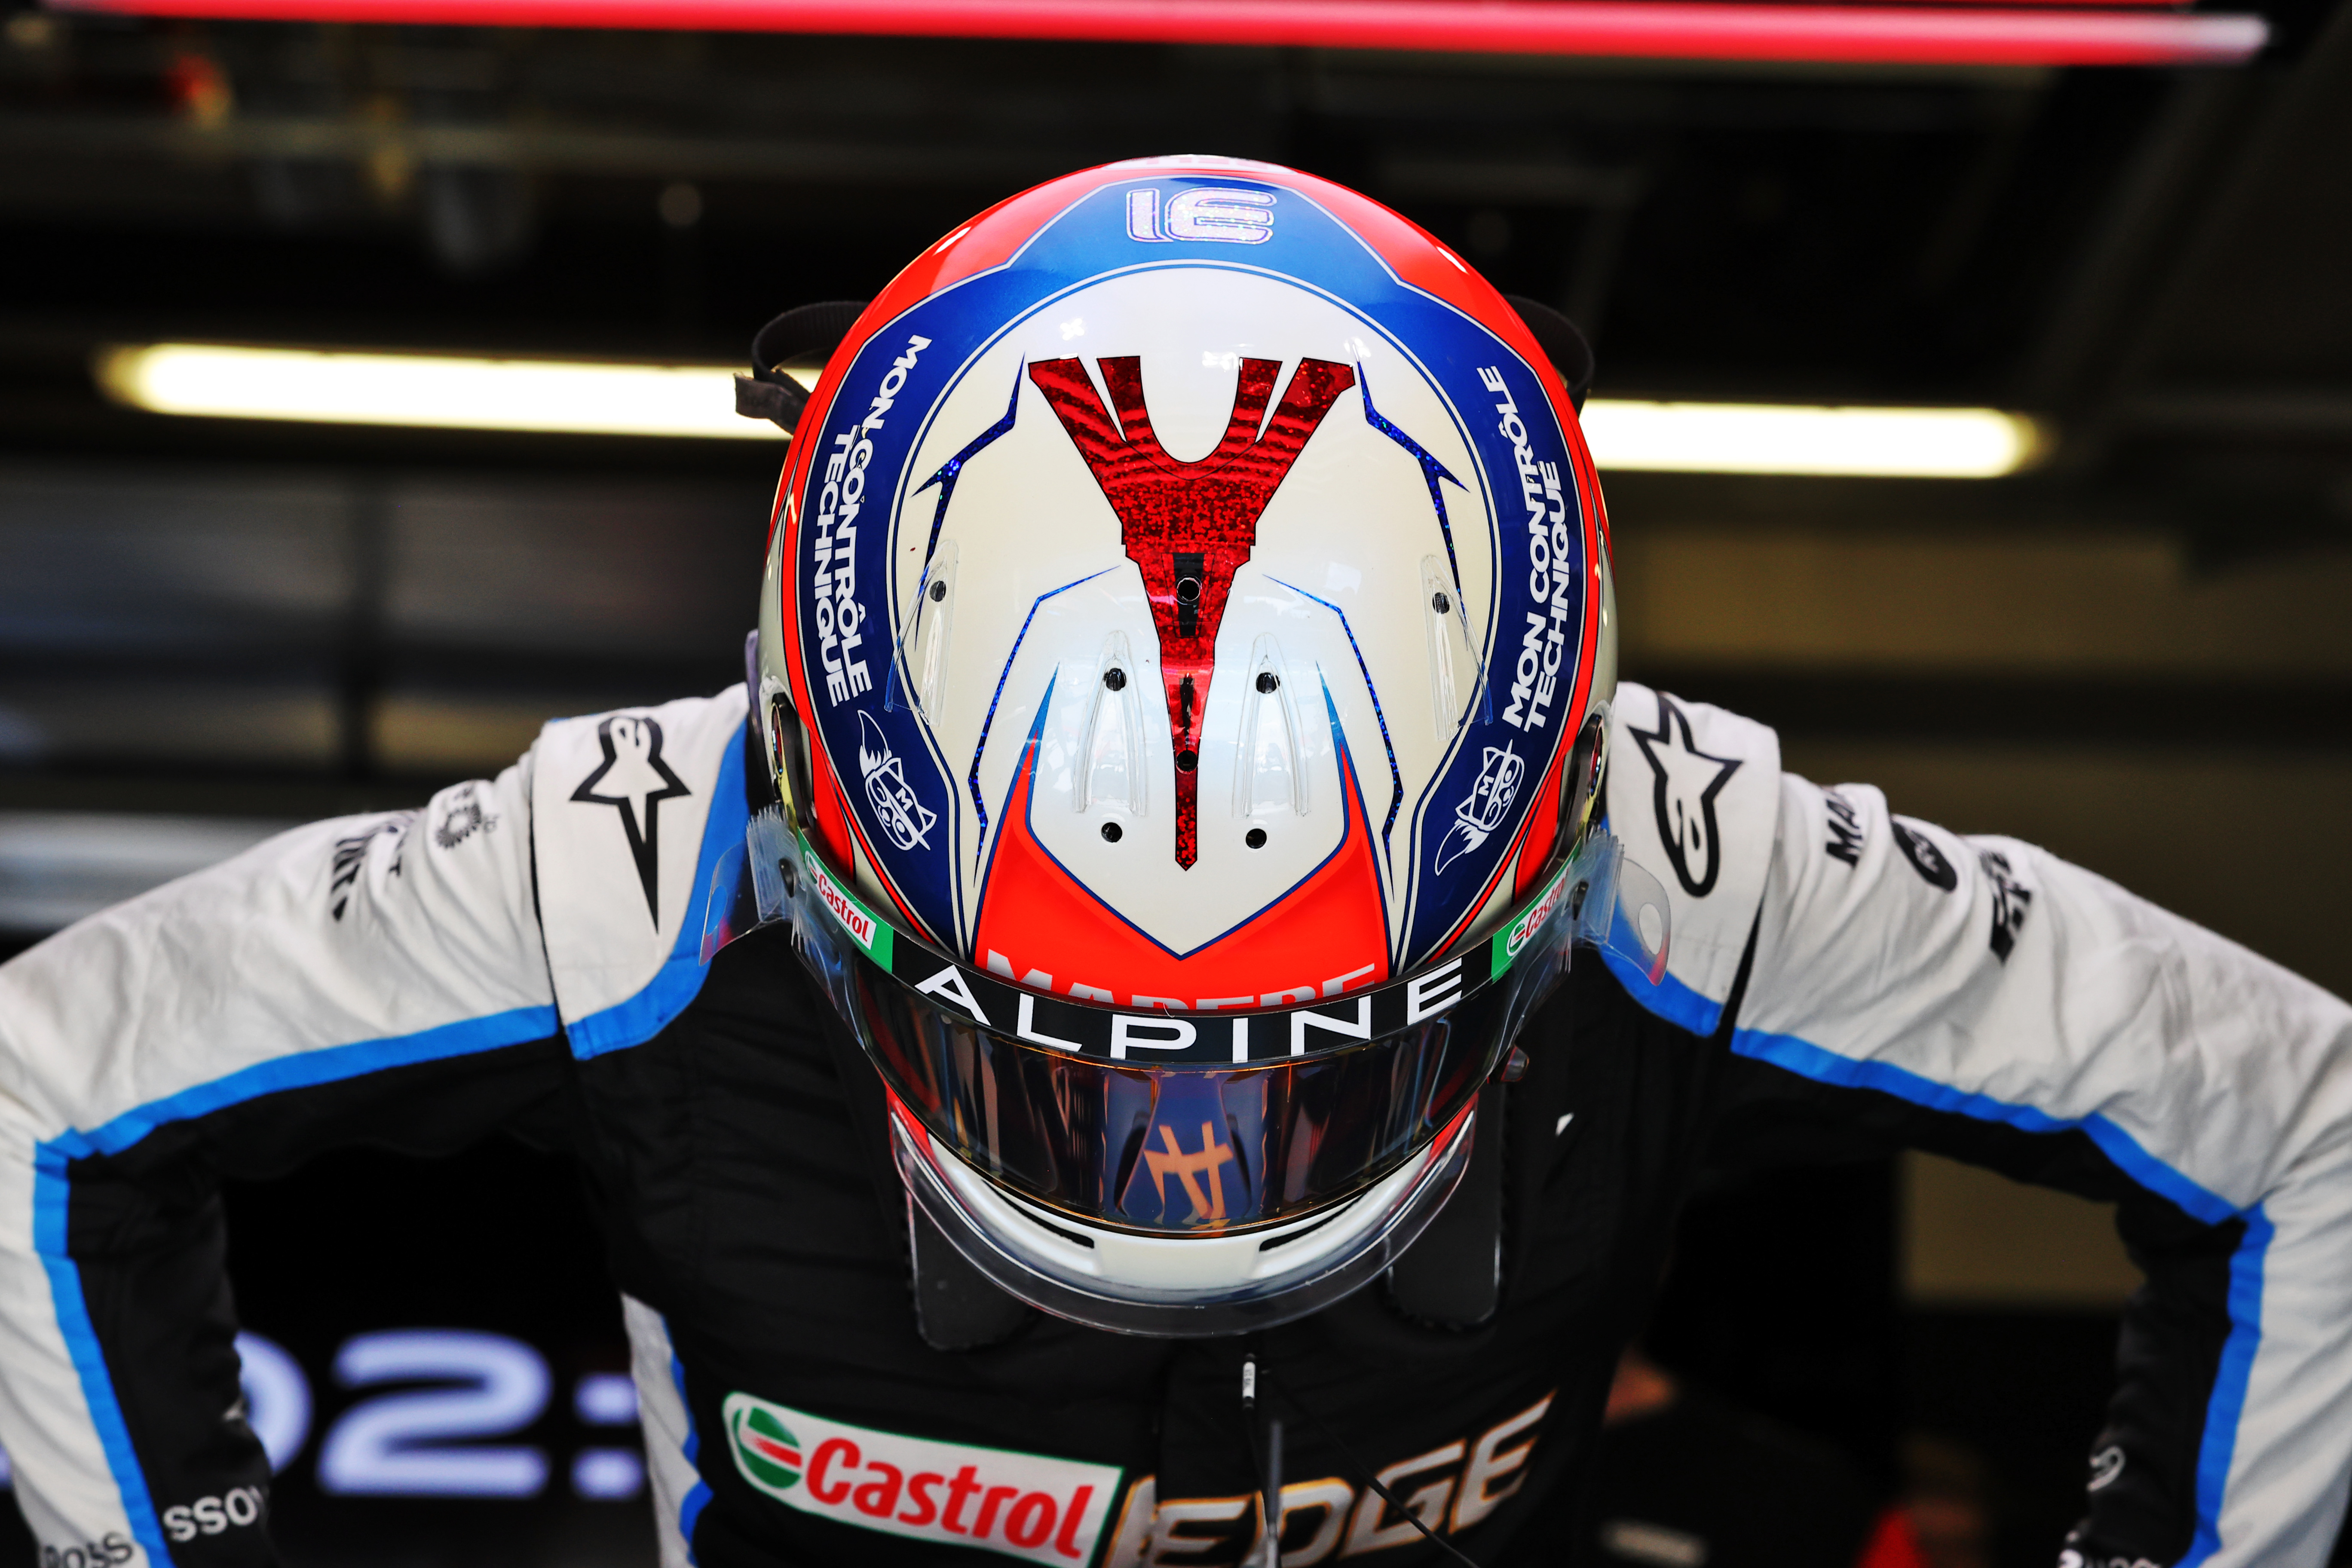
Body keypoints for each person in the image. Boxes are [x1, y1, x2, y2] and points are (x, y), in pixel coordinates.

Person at [0, 154, 2346, 1568]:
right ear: (823, 815)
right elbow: (42, 1086)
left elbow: (2302, 1120)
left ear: (1547, 836)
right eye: (1064, 1068)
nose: (1191, 1166)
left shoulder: (1698, 861)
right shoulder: (627, 863)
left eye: (1308, 1068)